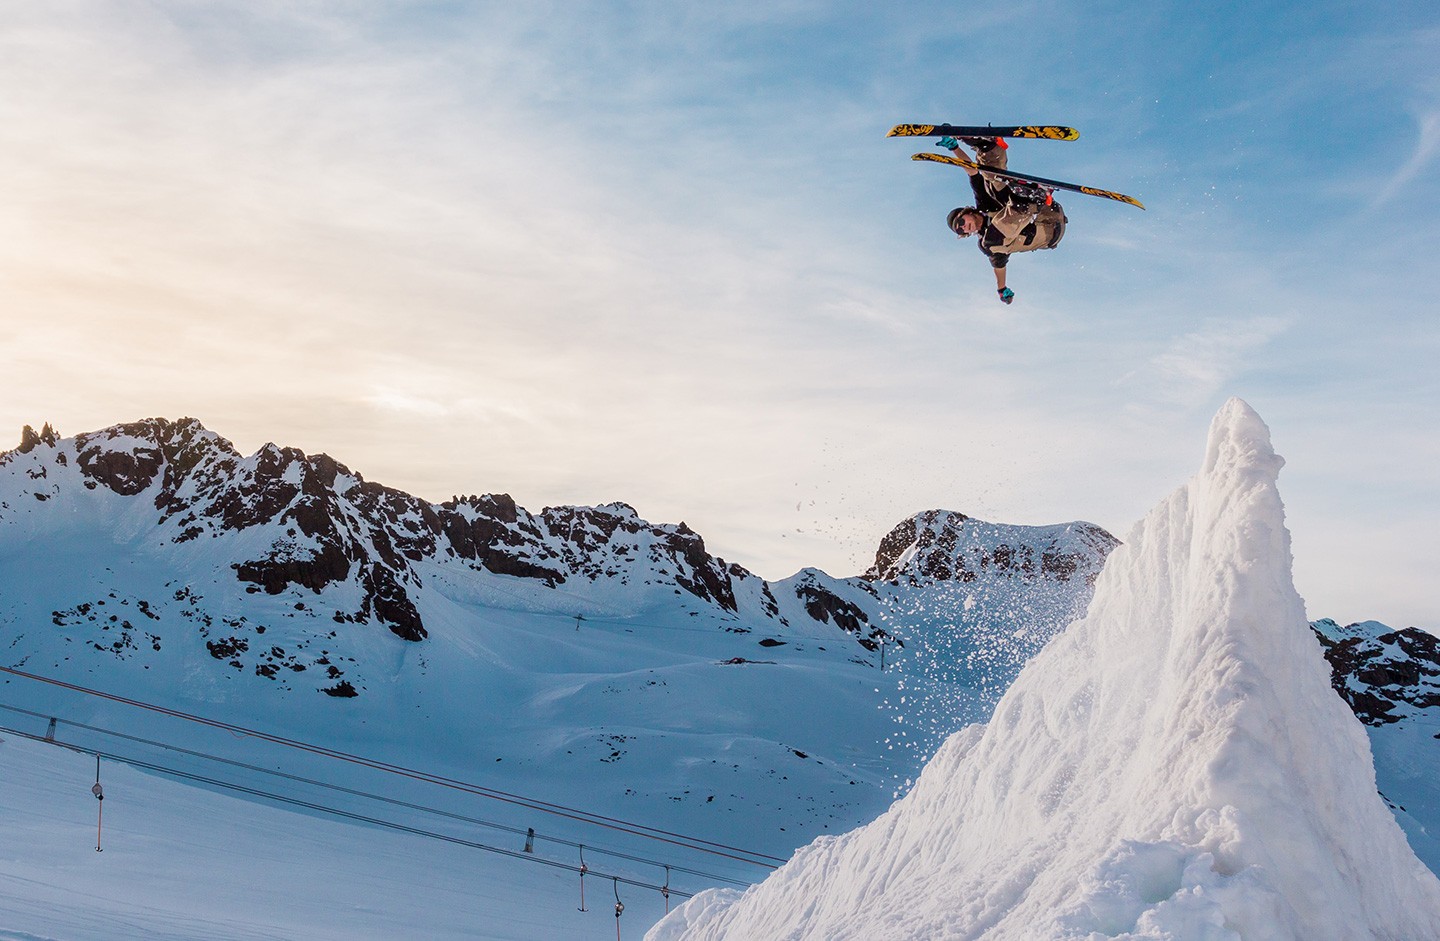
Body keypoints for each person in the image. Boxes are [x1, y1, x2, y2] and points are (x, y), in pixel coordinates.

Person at [940, 136, 1068, 305]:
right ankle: (1026, 202)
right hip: (1049, 231)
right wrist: (1001, 289)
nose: (964, 228)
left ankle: (988, 148)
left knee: (990, 181)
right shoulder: (987, 241)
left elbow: (972, 171)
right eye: (961, 231)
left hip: (1048, 209)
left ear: (966, 212)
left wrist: (954, 148)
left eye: (960, 223)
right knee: (990, 243)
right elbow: (998, 265)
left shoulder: (983, 203)